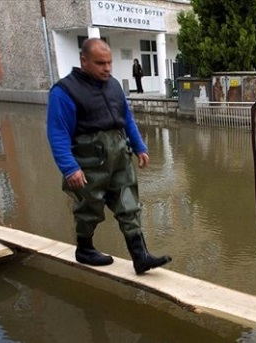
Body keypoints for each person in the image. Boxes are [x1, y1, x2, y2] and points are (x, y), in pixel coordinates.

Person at [46, 38, 171, 274]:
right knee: (89, 207)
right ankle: (84, 249)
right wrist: (70, 168)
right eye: (100, 63)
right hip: (89, 160)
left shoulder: (113, 85)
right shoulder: (64, 92)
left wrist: (140, 147)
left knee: (129, 204)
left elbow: (127, 119)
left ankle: (140, 257)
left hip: (119, 155)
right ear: (84, 61)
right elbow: (57, 132)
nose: (107, 68)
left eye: (109, 62)